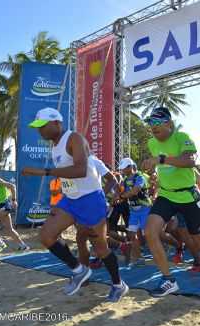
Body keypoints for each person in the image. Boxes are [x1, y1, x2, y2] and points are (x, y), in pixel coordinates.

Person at [22, 108, 128, 302]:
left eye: (42, 126)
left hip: (90, 200)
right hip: (70, 200)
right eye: (37, 127)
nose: (40, 131)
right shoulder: (54, 146)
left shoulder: (74, 139)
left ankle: (118, 285)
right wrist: (62, 198)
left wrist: (42, 172)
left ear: (56, 123)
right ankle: (79, 270)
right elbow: (67, 177)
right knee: (46, 236)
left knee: (101, 248)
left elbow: (80, 170)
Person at [142, 106, 200, 297]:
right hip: (166, 195)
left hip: (187, 196)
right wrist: (153, 173)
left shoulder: (181, 137)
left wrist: (160, 160)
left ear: (169, 123)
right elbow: (161, 167)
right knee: (150, 232)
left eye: (157, 122)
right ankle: (168, 280)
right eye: (150, 123)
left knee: (199, 237)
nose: (153, 126)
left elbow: (189, 161)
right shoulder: (152, 143)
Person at [117, 157, 151, 266]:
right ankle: (139, 258)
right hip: (133, 211)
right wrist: (118, 196)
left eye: (124, 168)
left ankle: (160, 251)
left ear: (130, 167)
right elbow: (124, 193)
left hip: (145, 209)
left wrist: (121, 196)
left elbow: (135, 191)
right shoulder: (126, 180)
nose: (122, 170)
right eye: (121, 169)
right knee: (131, 234)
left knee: (149, 235)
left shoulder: (139, 177)